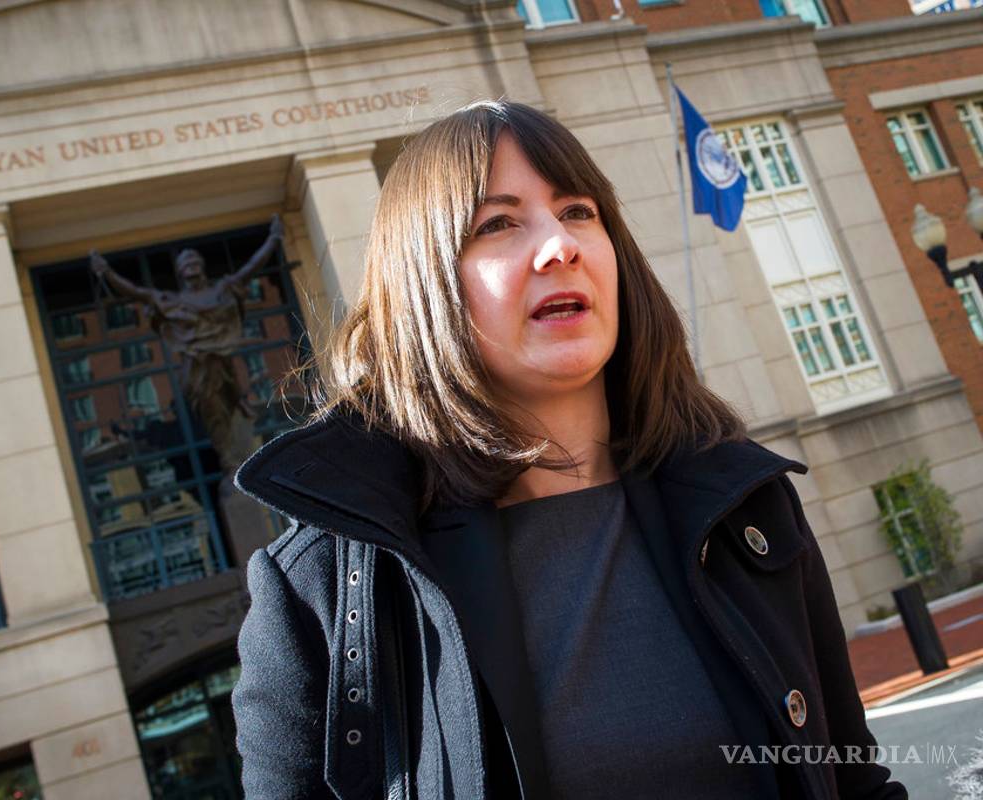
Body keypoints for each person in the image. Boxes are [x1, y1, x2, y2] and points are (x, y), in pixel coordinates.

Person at [230, 101, 907, 799]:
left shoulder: (743, 503)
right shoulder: (320, 584)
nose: (561, 246)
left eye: (578, 211)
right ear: (423, 284)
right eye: (497, 224)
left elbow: (853, 782)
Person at [89, 215, 284, 474]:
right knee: (214, 413)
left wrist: (273, 239)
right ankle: (229, 461)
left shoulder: (222, 290)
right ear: (180, 271)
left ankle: (241, 451)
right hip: (198, 370)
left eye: (194, 261)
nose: (190, 265)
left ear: (201, 266)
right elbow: (136, 292)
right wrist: (107, 272)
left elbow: (250, 269)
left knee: (235, 408)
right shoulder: (173, 301)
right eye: (185, 263)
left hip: (223, 363)